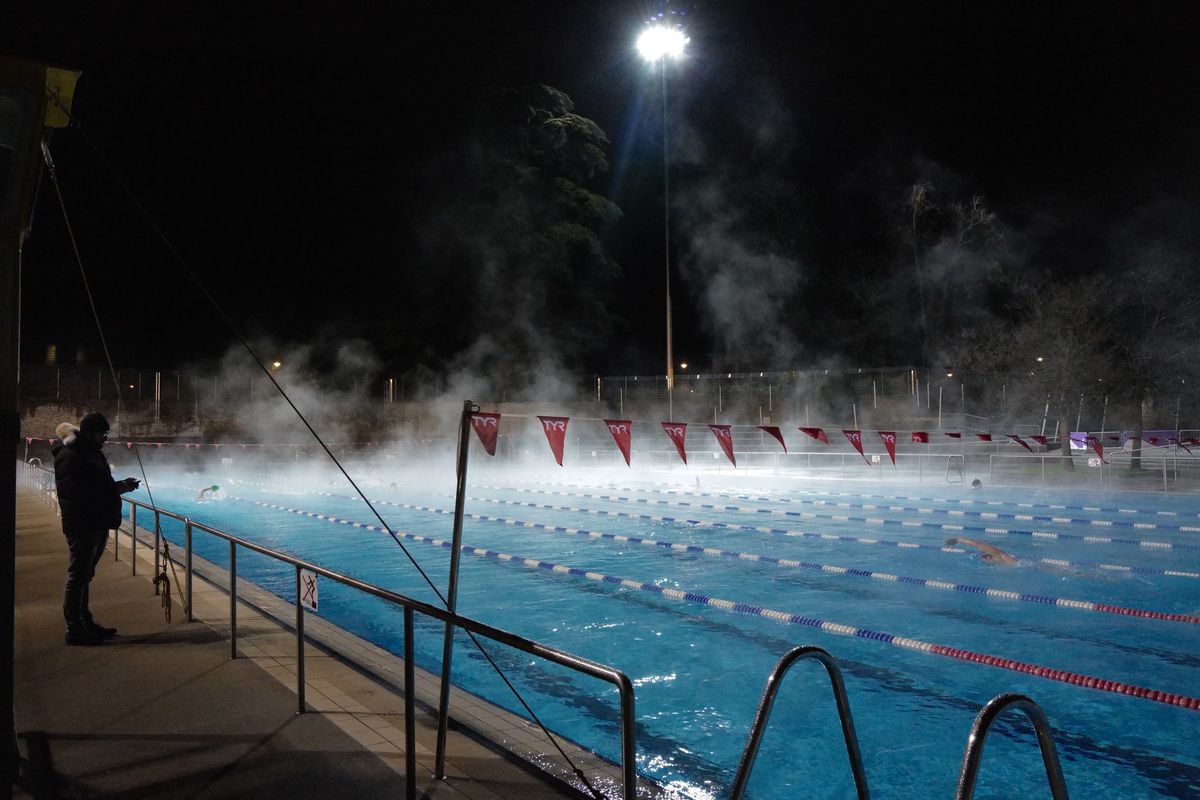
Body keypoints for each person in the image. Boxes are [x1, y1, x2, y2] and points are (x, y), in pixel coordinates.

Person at [52, 413, 141, 645]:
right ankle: (75, 629)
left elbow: (96, 486)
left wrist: (119, 486)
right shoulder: (72, 455)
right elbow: (81, 492)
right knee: (78, 575)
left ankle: (84, 620)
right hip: (83, 523)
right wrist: (116, 489)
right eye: (103, 434)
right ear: (91, 433)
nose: (105, 439)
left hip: (95, 521)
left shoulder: (89, 453)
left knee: (85, 574)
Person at [944, 536, 1017, 566]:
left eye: (985, 559)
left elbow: (977, 544)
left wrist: (957, 540)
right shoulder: (999, 560)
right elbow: (977, 545)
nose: (984, 560)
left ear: (989, 557)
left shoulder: (995, 553)